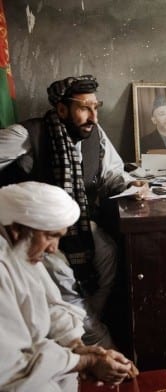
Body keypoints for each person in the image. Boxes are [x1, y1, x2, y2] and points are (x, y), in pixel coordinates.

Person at [0, 74, 136, 347]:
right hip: (34, 232)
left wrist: (133, 185)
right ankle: (93, 335)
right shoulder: (25, 134)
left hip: (79, 222)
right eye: (84, 108)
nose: (93, 117)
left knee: (108, 252)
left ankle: (81, 320)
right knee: (63, 275)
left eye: (96, 107)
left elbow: (112, 175)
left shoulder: (95, 135)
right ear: (62, 109)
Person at [0, 182, 138, 392]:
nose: (54, 248)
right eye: (50, 236)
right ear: (18, 229)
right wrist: (86, 362)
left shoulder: (20, 249)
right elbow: (9, 366)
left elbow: (53, 306)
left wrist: (79, 347)